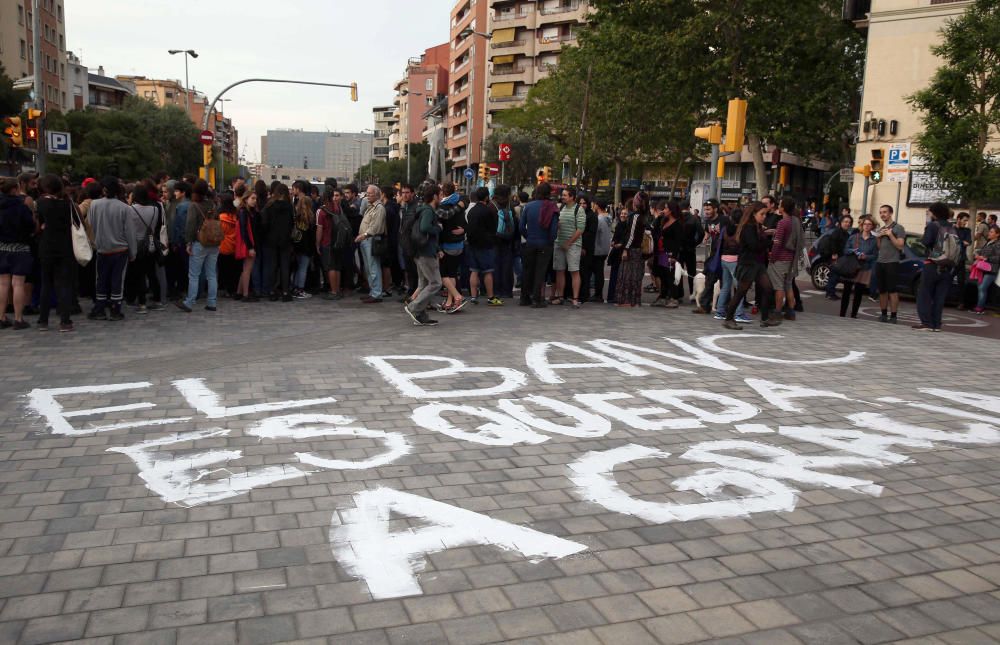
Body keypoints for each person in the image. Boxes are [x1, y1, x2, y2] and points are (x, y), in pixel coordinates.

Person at [723, 202, 779, 329]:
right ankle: (729, 319)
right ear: (753, 214)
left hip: (757, 263)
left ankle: (765, 318)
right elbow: (754, 245)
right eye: (762, 214)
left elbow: (757, 244)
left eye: (765, 214)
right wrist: (769, 243)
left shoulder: (755, 226)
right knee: (741, 292)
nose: (764, 216)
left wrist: (766, 239)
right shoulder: (748, 227)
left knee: (768, 288)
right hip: (748, 263)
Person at [88, 177, 137, 321]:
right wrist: (133, 252)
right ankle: (116, 309)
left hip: (102, 248)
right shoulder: (125, 208)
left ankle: (100, 308)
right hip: (120, 250)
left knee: (101, 279)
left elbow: (91, 223)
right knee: (117, 280)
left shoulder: (94, 205)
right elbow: (130, 233)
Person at [34, 175, 77, 332]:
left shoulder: (40, 203)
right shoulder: (68, 204)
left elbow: (36, 226)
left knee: (46, 283)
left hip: (46, 246)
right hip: (64, 246)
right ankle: (65, 321)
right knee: (63, 284)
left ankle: (43, 320)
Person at [177, 179, 221, 313]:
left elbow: (190, 226)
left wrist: (188, 243)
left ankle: (189, 302)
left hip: (199, 243)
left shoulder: (194, 206)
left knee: (194, 275)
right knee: (211, 274)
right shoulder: (212, 204)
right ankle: (212, 302)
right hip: (214, 243)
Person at [404, 184, 444, 326]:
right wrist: (438, 228)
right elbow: (425, 228)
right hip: (426, 252)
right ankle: (414, 307)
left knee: (424, 283)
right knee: (436, 283)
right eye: (440, 195)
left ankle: (421, 314)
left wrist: (437, 247)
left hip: (421, 251)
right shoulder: (428, 211)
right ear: (434, 196)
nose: (441, 197)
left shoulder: (423, 209)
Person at [915, 202, 957, 332]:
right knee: (939, 297)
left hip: (932, 264)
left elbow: (926, 242)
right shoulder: (952, 227)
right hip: (948, 266)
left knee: (925, 294)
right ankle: (936, 324)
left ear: (934, 213)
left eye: (930, 211)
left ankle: (926, 323)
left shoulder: (933, 225)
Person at [0, 177, 36, 330]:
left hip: (2, 247)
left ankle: (1, 317)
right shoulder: (21, 207)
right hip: (20, 248)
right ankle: (18, 318)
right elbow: (30, 226)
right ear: (15, 189)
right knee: (18, 283)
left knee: (2, 284)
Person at [125, 182, 165, 314]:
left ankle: (142, 303)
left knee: (139, 275)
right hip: (151, 244)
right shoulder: (155, 208)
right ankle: (158, 300)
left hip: (138, 244)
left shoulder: (131, 209)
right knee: (152, 273)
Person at [518, 183, 559, 308]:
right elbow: (553, 229)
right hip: (545, 242)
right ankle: (537, 298)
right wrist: (551, 240)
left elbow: (521, 226)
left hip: (530, 242)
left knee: (527, 270)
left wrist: (528, 236)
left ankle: (524, 297)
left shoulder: (528, 206)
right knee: (540, 272)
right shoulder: (552, 207)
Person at [714, 207, 752, 323]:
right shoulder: (741, 229)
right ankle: (739, 313)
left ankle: (720, 311)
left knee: (726, 286)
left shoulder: (725, 228)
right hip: (735, 260)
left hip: (724, 258)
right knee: (739, 288)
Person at [465, 186, 502, 306]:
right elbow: (493, 228)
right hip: (486, 245)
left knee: (474, 271)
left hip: (472, 244)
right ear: (487, 197)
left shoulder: (471, 211)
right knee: (487, 271)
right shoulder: (488, 211)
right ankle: (490, 297)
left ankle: (473, 296)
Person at [767, 197, 802, 320]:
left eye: (780, 204)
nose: (778, 206)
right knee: (788, 285)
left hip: (780, 258)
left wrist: (772, 257)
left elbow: (777, 243)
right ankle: (791, 311)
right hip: (791, 258)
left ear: (783, 208)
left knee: (778, 286)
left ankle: (777, 311)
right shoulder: (795, 221)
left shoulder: (782, 222)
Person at [552, 187, 586, 308]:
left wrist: (569, 242)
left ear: (572, 197)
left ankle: (575, 298)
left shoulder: (579, 209)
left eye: (565, 195)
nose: (563, 197)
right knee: (559, 270)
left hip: (573, 245)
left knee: (574, 271)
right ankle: (560, 297)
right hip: (559, 243)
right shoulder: (560, 207)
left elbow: (580, 229)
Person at [437, 182, 468, 312]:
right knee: (452, 274)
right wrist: (464, 230)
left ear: (443, 192)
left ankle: (453, 300)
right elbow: (465, 222)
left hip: (447, 244)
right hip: (459, 244)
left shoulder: (443, 207)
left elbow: (440, 228)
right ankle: (451, 301)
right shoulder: (460, 203)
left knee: (446, 275)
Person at [694, 199, 729, 314]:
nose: (706, 212)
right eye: (705, 210)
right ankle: (704, 306)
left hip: (725, 254)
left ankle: (725, 307)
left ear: (715, 209)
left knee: (725, 282)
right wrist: (705, 238)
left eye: (709, 209)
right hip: (714, 255)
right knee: (709, 279)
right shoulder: (708, 221)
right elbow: (707, 233)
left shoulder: (724, 220)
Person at [261, 183, 294, 302]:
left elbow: (264, 223)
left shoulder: (269, 206)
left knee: (273, 266)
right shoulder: (289, 207)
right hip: (285, 240)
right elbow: (292, 223)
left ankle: (272, 291)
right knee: (285, 266)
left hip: (271, 240)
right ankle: (285, 292)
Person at [840, 216, 877, 318]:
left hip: (864, 268)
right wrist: (854, 252)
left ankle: (854, 315)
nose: (866, 226)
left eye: (869, 224)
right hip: (851, 267)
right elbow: (845, 250)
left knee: (858, 293)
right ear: (861, 225)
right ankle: (842, 314)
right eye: (865, 224)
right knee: (846, 291)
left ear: (872, 226)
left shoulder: (874, 240)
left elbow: (875, 255)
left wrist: (866, 256)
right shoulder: (853, 237)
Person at [615, 193, 648, 307]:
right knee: (636, 275)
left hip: (632, 250)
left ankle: (627, 300)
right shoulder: (644, 216)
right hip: (638, 250)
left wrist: (625, 249)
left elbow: (631, 235)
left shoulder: (635, 217)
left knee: (627, 275)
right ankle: (634, 300)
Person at [356, 185, 387, 304]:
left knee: (373, 267)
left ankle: (376, 293)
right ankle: (373, 291)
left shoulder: (379, 208)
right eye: (367, 193)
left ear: (377, 195)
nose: (367, 196)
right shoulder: (371, 206)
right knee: (369, 268)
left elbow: (376, 226)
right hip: (365, 240)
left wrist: (364, 235)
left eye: (370, 194)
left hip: (371, 239)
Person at [875, 204, 905, 323]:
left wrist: (890, 234)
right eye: (881, 212)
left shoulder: (898, 228)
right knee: (882, 290)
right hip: (880, 262)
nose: (882, 214)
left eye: (885, 212)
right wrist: (878, 237)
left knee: (892, 290)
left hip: (892, 262)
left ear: (890, 213)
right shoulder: (881, 228)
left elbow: (900, 245)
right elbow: (879, 247)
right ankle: (883, 314)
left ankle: (893, 316)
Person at [651, 201, 683, 308]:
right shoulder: (663, 221)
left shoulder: (677, 224)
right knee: (662, 275)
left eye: (665, 209)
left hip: (669, 253)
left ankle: (674, 298)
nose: (663, 211)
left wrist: (674, 256)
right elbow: (653, 229)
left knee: (670, 276)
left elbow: (678, 242)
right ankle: (663, 296)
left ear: (671, 210)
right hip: (661, 252)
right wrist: (658, 218)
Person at [491, 185, 516, 300]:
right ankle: (507, 291)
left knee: (495, 265)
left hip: (495, 240)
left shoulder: (491, 205)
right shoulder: (511, 206)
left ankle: (496, 290)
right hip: (508, 240)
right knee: (507, 266)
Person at [823, 215, 854, 300]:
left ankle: (830, 292)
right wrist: (834, 253)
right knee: (834, 275)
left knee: (835, 276)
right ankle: (830, 293)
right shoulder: (837, 232)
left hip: (841, 258)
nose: (847, 224)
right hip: (836, 257)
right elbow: (833, 243)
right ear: (841, 223)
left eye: (849, 222)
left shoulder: (846, 233)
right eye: (845, 222)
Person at [291, 192, 316, 299]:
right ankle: (300, 289)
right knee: (303, 268)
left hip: (296, 246)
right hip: (306, 247)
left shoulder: (296, 216)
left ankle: (294, 288)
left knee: (297, 268)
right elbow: (312, 236)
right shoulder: (310, 218)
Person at [217, 192, 241, 300]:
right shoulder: (237, 216)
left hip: (223, 246)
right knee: (234, 269)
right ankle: (233, 289)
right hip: (235, 245)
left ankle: (223, 288)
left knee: (223, 269)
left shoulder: (220, 217)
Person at [972, 225, 999, 314]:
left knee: (982, 287)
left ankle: (979, 308)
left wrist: (986, 258)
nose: (989, 233)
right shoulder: (988, 242)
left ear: (997, 234)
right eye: (989, 231)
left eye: (991, 232)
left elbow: (998, 257)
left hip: (991, 270)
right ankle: (980, 307)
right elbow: (983, 252)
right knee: (980, 287)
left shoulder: (998, 244)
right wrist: (977, 254)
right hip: (982, 268)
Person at [236, 190, 258, 301]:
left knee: (245, 269)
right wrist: (250, 247)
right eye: (252, 198)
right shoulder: (244, 212)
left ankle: (239, 293)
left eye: (255, 199)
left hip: (247, 243)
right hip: (248, 244)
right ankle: (245, 294)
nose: (255, 201)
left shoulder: (246, 211)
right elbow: (244, 230)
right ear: (246, 199)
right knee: (247, 269)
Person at [381, 186, 402, 298]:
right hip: (393, 238)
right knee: (391, 263)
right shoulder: (394, 206)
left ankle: (387, 288)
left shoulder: (388, 208)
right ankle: (392, 284)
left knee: (386, 264)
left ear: (383, 194)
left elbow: (386, 226)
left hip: (388, 239)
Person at [606, 206, 629, 304]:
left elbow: (626, 238)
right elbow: (615, 237)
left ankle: (616, 296)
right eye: (622, 213)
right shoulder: (619, 224)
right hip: (616, 252)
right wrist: (613, 242)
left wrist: (621, 244)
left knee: (619, 275)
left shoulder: (627, 226)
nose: (623, 215)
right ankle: (612, 296)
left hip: (621, 252)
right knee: (614, 275)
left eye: (625, 214)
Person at [591, 200, 612, 303]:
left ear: (597, 206)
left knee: (598, 272)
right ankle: (598, 294)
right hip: (605, 247)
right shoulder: (608, 217)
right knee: (600, 271)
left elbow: (595, 233)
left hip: (598, 248)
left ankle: (598, 294)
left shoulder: (599, 219)